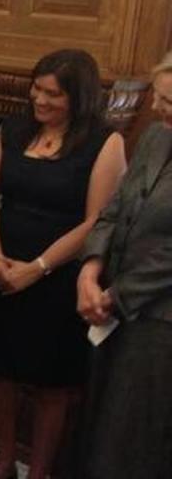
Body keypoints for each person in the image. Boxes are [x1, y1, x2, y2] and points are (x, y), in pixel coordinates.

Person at [0, 50, 126, 479]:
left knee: (51, 385)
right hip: (1, 268)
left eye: (52, 94)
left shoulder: (104, 142)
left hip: (58, 277)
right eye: (36, 88)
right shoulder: (14, 128)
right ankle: (3, 463)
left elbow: (97, 221)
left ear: (78, 97)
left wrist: (36, 268)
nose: (40, 99)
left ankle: (38, 472)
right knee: (0, 370)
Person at [76, 51, 172, 479]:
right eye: (159, 96)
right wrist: (90, 268)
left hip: (158, 326)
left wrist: (117, 295)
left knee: (134, 439)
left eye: (169, 102)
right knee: (101, 424)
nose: (156, 107)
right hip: (111, 308)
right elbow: (115, 206)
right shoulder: (154, 136)